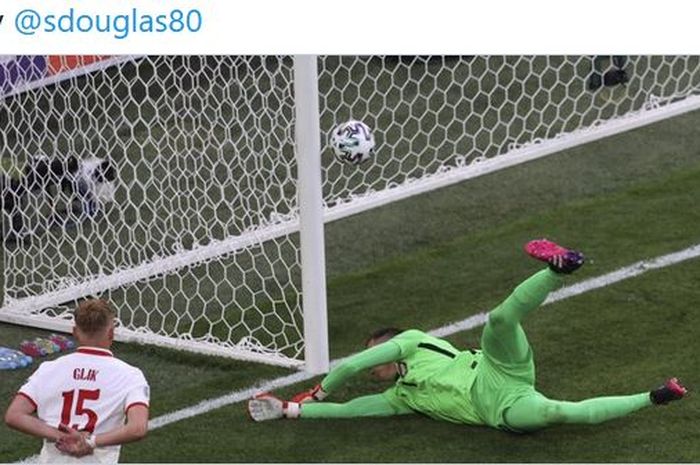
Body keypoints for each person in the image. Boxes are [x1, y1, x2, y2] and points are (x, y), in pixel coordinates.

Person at [248, 239, 687, 432]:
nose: (372, 361)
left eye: (375, 350)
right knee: (558, 414)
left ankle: (558, 270)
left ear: (392, 342)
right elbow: (354, 411)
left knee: (498, 322)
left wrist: (318, 392)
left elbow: (349, 368)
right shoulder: (403, 398)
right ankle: (652, 397)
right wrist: (290, 411)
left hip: (497, 367)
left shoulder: (415, 341)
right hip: (502, 406)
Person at [4, 298, 150, 463]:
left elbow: (14, 415)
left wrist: (61, 436)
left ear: (74, 332)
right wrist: (90, 442)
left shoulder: (48, 369)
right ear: (111, 333)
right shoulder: (130, 375)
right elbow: (137, 428)